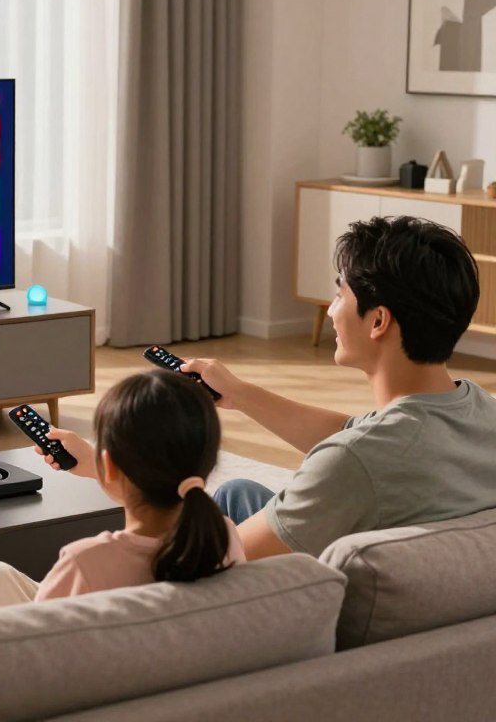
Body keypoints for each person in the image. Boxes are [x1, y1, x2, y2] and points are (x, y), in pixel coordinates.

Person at [175, 215, 496, 561]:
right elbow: (353, 434)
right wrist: (238, 393)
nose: (330, 310)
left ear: (378, 321)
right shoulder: (481, 410)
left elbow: (218, 561)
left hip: (329, 585)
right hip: (430, 575)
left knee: (207, 524)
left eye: (340, 293)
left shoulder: (351, 464)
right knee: (239, 492)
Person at [0, 370, 245, 610]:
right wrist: (96, 465)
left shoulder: (85, 564)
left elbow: (40, 642)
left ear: (109, 464)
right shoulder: (224, 536)